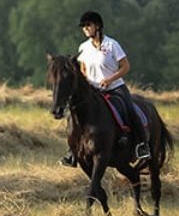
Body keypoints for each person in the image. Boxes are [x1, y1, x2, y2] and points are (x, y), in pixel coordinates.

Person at [60, 10, 151, 167]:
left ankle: (142, 146)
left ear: (98, 26)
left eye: (88, 25)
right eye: (83, 27)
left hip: (115, 88)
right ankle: (72, 152)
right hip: (94, 90)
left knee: (130, 110)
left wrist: (110, 79)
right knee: (74, 115)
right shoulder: (83, 47)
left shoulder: (112, 45)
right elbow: (83, 68)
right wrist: (87, 81)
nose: (86, 29)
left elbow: (125, 66)